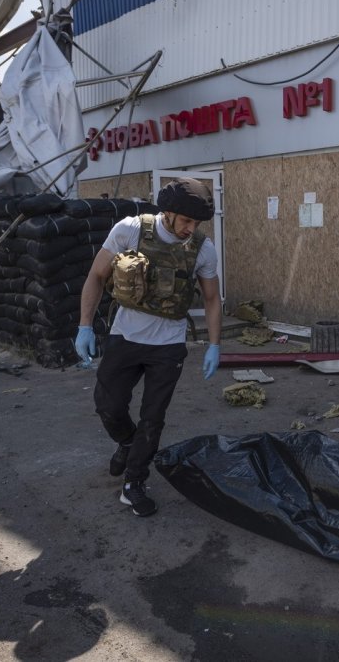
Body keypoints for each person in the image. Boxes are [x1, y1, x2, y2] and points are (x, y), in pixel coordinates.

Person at [75, 178, 222, 517]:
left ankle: (135, 481)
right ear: (167, 213)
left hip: (168, 346)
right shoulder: (130, 230)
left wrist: (215, 345)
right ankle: (127, 443)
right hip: (125, 336)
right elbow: (96, 276)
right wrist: (84, 326)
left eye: (197, 223)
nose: (191, 228)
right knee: (107, 405)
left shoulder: (203, 249)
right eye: (186, 221)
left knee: (153, 418)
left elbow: (212, 299)